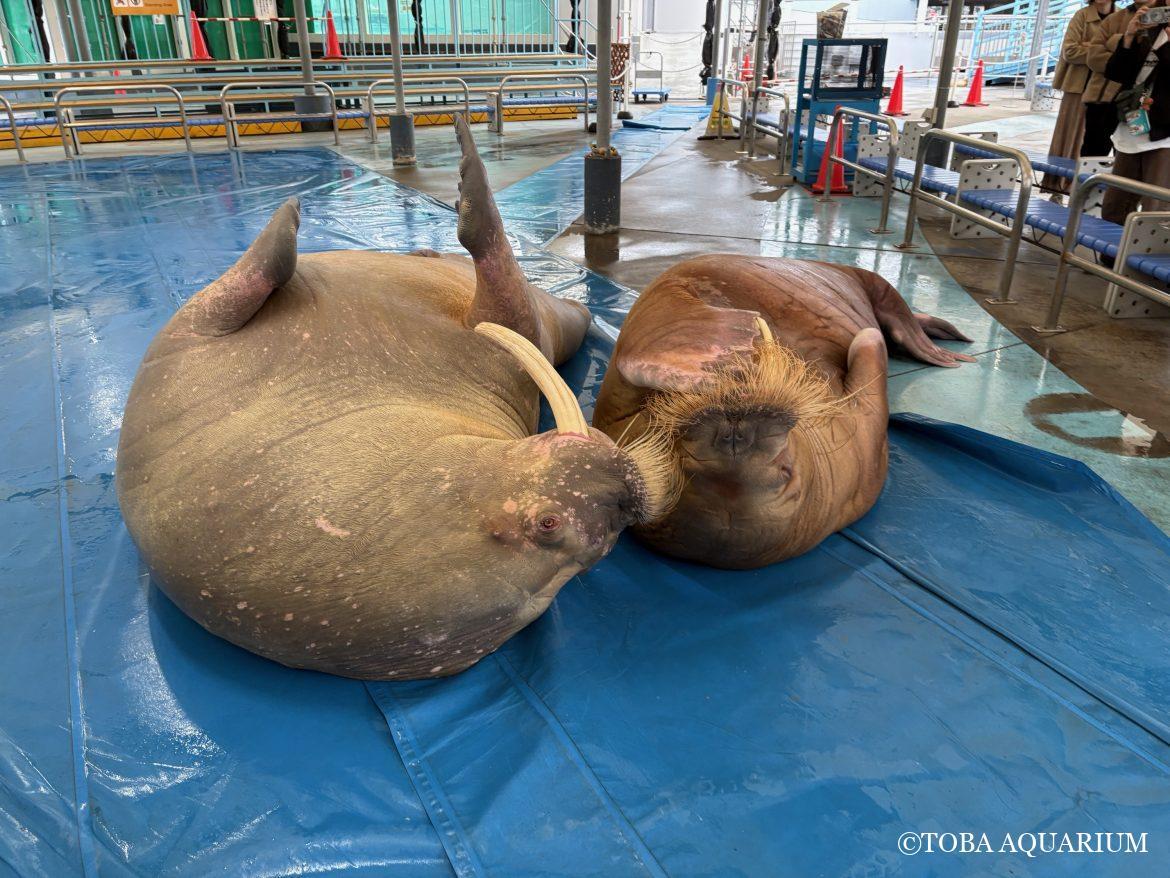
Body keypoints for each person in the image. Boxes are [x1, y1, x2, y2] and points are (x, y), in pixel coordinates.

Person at [1099, 0, 1170, 226]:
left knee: (1155, 211)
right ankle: (1110, 258)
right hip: (1132, 125)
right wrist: (1129, 37)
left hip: (1164, 135)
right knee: (1114, 205)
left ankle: (1145, 260)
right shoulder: (1151, 25)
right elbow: (1116, 72)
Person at [1045, 0, 1117, 191]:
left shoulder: (1120, 17)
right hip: (1078, 86)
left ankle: (1084, 187)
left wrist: (1091, 47)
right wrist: (1103, 51)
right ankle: (1058, 186)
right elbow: (1070, 51)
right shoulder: (1082, 16)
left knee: (1096, 138)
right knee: (1069, 136)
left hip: (1106, 90)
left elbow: (1123, 52)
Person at [1083, 0, 1158, 155]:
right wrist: (1124, 40)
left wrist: (1114, 44)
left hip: (1143, 103)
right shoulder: (1114, 18)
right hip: (1102, 100)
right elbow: (1093, 58)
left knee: (1127, 156)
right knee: (1092, 154)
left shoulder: (1162, 20)